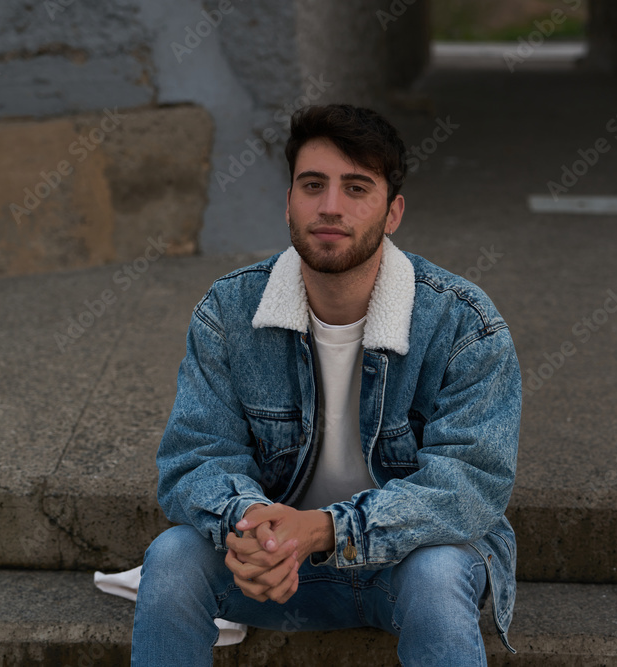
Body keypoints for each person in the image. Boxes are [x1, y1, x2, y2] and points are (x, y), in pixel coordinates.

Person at [131, 103, 521, 666]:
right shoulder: (229, 312)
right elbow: (195, 458)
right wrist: (252, 528)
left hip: (405, 567)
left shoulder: (463, 325)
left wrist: (322, 530)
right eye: (313, 185)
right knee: (171, 559)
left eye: (356, 188)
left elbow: (469, 485)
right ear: (288, 201)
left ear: (393, 212)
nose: (330, 206)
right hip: (279, 571)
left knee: (438, 575)